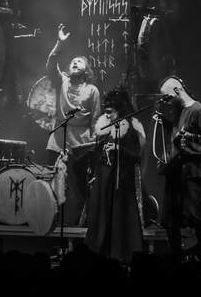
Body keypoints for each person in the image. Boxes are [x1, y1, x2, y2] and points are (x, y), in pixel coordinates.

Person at [45, 23, 101, 225]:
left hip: (82, 144)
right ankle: (50, 222)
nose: (75, 63)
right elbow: (51, 65)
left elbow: (96, 118)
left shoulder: (92, 90)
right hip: (59, 139)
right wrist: (59, 43)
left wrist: (93, 146)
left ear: (86, 69)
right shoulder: (63, 81)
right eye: (73, 62)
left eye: (79, 62)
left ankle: (81, 226)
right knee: (53, 185)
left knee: (80, 187)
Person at [157, 76, 201, 258]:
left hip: (191, 172)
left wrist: (190, 136)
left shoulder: (198, 110)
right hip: (176, 172)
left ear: (177, 91)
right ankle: (176, 259)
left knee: (197, 218)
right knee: (171, 220)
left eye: (167, 97)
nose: (166, 101)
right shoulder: (180, 112)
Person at [85, 86, 146, 262]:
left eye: (111, 111)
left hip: (120, 182)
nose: (108, 115)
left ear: (119, 110)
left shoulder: (129, 129)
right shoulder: (104, 129)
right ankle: (99, 253)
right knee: (101, 216)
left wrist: (119, 148)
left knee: (119, 217)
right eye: (106, 112)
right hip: (103, 180)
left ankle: (120, 254)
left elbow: (135, 156)